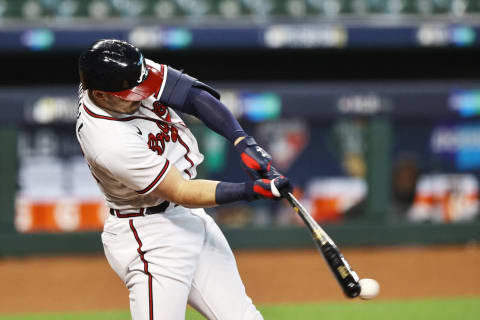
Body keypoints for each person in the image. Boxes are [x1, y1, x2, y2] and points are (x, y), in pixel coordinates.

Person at [75, 39, 291, 320]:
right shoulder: (107, 141)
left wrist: (242, 140)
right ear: (101, 95)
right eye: (131, 95)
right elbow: (180, 190)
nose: (141, 96)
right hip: (150, 236)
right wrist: (251, 190)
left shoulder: (127, 72)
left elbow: (192, 95)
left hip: (190, 219)